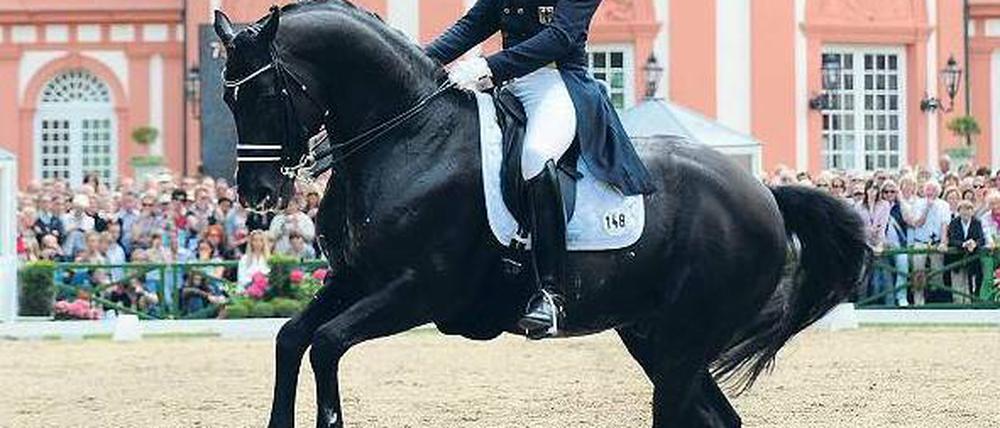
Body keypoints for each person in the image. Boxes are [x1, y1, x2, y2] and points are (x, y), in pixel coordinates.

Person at [425, 0, 657, 337]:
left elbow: (561, 36)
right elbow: (472, 25)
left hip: (556, 83)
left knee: (536, 154)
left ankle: (550, 294)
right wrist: (415, 60)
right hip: (507, 84)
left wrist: (490, 66)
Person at [906, 180, 950, 306]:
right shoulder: (918, 203)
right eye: (928, 189)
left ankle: (936, 298)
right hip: (921, 242)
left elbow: (944, 225)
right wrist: (927, 208)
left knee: (937, 271)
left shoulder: (944, 205)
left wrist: (943, 242)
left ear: (938, 191)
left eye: (933, 190)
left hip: (936, 242)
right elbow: (917, 223)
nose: (930, 192)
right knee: (918, 271)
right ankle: (918, 300)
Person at [946, 200, 988, 304]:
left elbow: (981, 239)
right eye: (963, 209)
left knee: (971, 284)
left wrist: (974, 244)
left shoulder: (976, 222)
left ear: (972, 211)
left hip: (972, 258)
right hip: (956, 258)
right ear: (959, 211)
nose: (966, 212)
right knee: (957, 283)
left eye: (969, 209)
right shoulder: (954, 222)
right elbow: (951, 239)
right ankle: (958, 303)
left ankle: (970, 304)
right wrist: (963, 244)